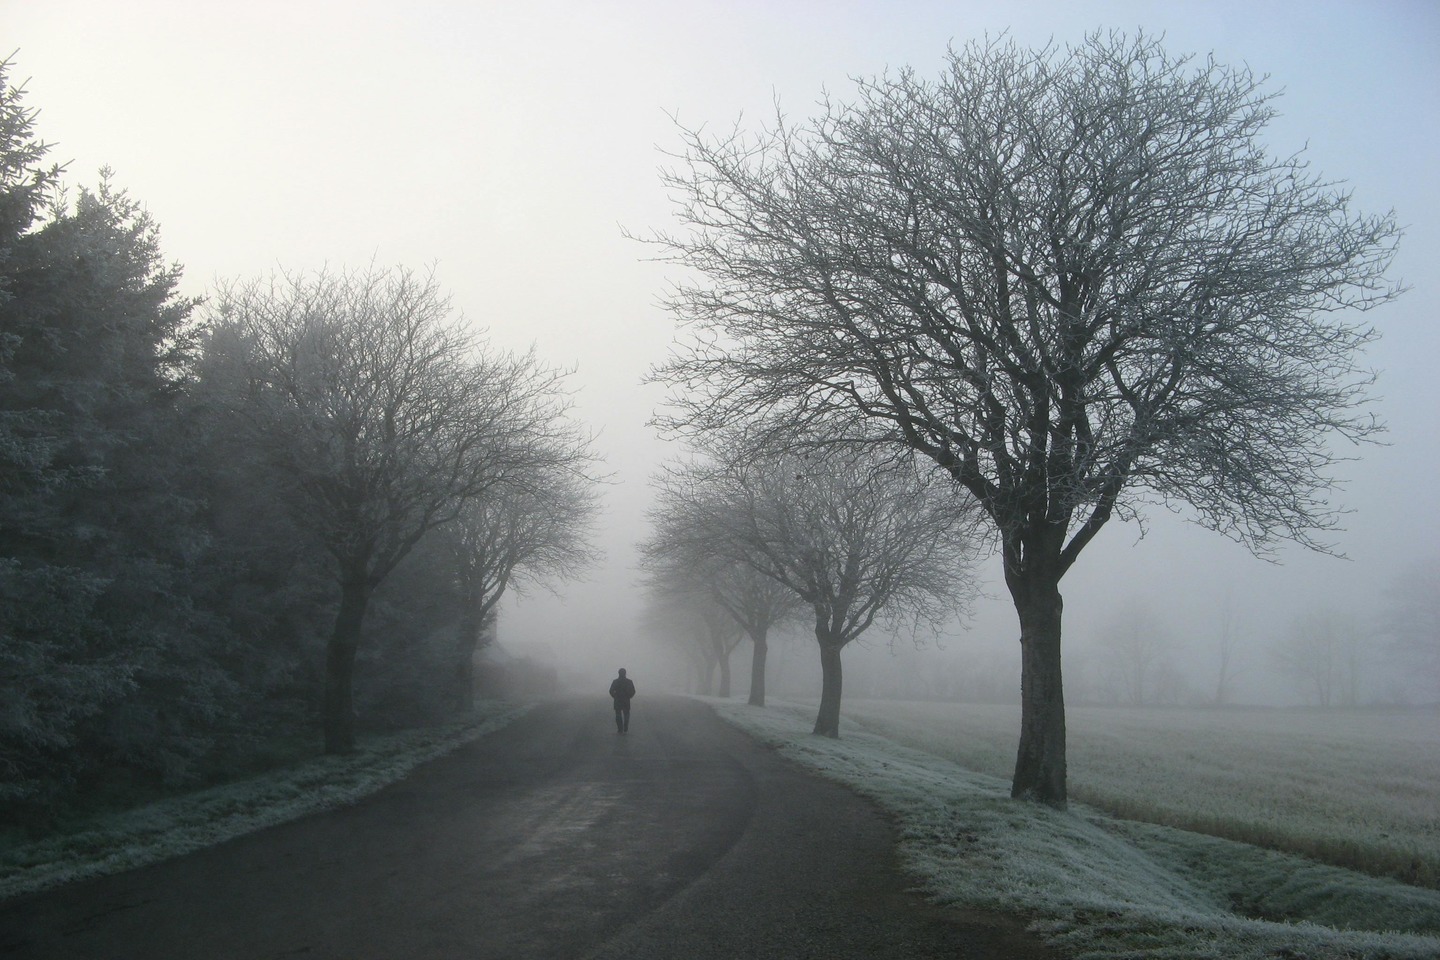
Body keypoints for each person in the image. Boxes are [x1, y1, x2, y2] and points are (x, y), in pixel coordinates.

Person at [609, 668, 636, 733]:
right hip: (626, 700)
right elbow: (633, 691)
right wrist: (629, 696)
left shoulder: (615, 681)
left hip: (617, 700)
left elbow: (611, 691)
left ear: (618, 673)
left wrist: (614, 696)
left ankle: (620, 729)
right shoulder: (629, 682)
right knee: (626, 714)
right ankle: (625, 726)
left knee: (618, 714)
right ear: (625, 673)